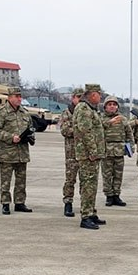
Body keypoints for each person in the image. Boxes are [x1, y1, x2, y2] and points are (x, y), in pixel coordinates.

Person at [0, 85, 34, 214]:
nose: (19, 99)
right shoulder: (1, 112)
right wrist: (10, 137)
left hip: (22, 152)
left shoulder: (24, 112)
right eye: (16, 96)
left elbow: (31, 128)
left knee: (21, 180)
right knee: (6, 181)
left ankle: (20, 202)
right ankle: (5, 203)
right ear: (9, 97)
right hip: (7, 153)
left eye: (20, 96)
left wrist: (30, 137)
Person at [72, 84, 106, 229]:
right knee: (87, 186)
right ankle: (85, 216)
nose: (100, 97)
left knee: (92, 185)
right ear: (92, 95)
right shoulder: (83, 109)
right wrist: (93, 151)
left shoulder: (90, 109)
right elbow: (85, 132)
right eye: (99, 94)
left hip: (92, 154)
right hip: (87, 155)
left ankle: (91, 213)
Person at [101, 96, 134, 207]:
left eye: (114, 105)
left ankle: (116, 195)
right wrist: (109, 123)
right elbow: (97, 131)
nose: (112, 107)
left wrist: (131, 147)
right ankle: (109, 196)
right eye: (109, 104)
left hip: (119, 151)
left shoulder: (122, 119)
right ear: (105, 107)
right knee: (107, 175)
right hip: (106, 151)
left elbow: (129, 134)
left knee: (118, 175)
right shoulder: (101, 119)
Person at [59, 87, 84, 217]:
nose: (80, 100)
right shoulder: (67, 113)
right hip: (71, 153)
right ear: (73, 98)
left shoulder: (87, 113)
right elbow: (65, 130)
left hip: (85, 153)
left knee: (86, 181)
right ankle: (68, 203)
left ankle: (86, 205)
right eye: (78, 97)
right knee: (70, 180)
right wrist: (81, 130)